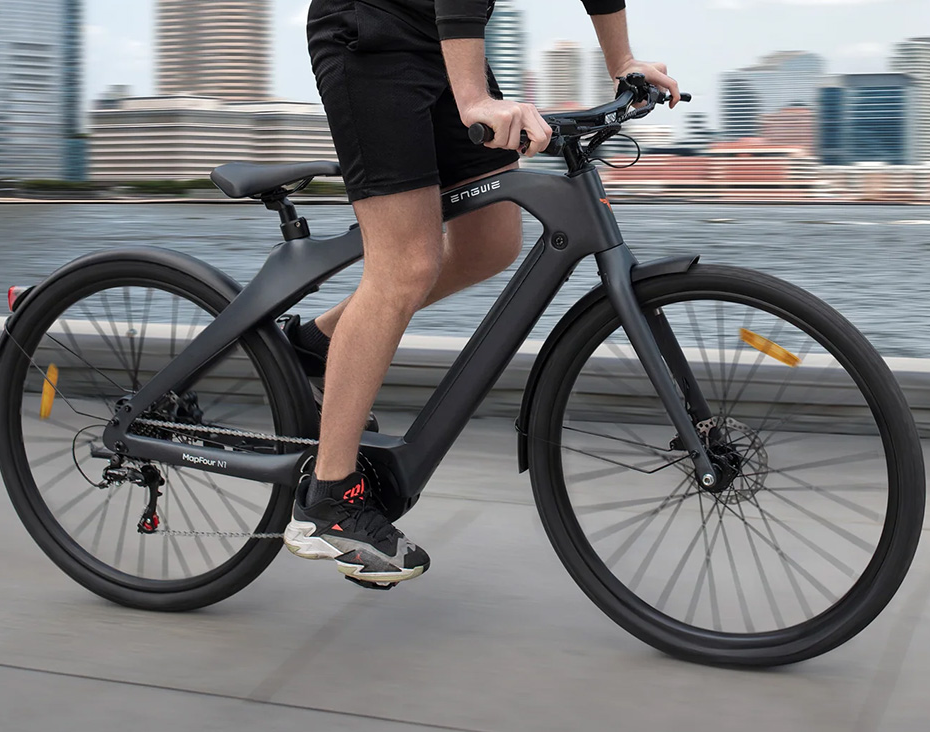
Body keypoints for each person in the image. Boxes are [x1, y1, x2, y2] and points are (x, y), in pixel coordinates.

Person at [283, 0, 681, 585]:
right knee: (404, 266)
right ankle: (328, 499)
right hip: (369, 34)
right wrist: (474, 99)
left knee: (489, 242)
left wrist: (622, 61)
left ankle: (314, 348)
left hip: (443, 40)